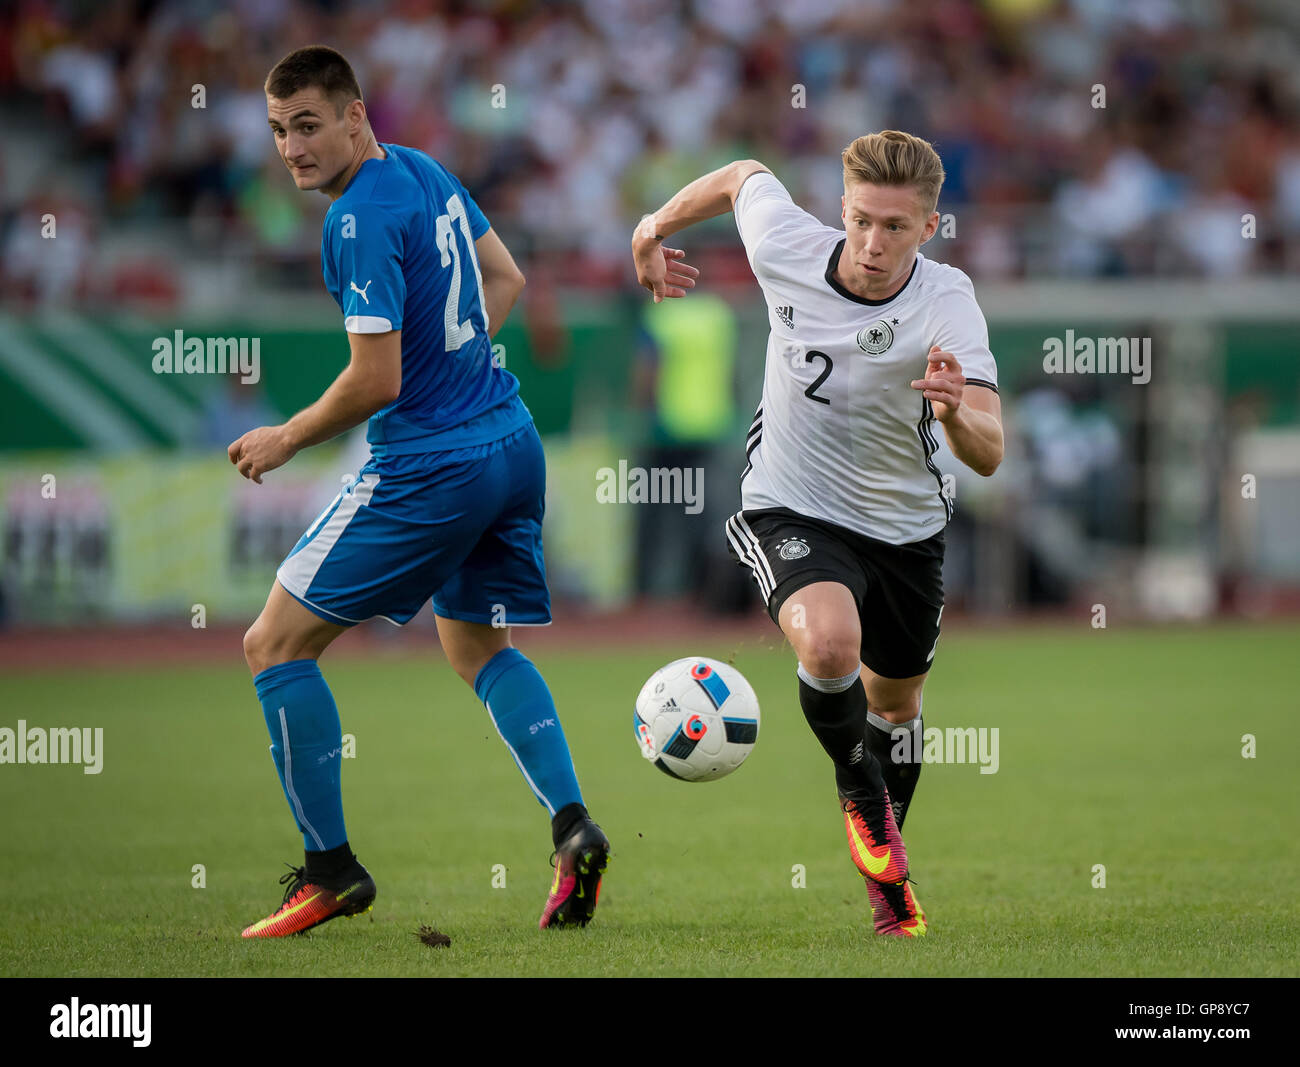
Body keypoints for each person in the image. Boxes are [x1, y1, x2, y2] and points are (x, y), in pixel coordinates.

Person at [229, 45, 608, 938]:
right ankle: (573, 826)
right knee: (477, 647)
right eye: (280, 130)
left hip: (434, 464)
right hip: (511, 441)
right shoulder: (426, 170)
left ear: (357, 116)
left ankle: (330, 870)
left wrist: (285, 436)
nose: (293, 147)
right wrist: (460, 368)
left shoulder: (356, 219)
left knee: (273, 645)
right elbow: (506, 280)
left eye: (311, 124)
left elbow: (376, 380)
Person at [631, 131, 1003, 937]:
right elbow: (739, 175)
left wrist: (952, 411)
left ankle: (881, 866)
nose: (874, 242)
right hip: (790, 503)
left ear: (928, 229)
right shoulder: (788, 244)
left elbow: (990, 450)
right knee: (830, 646)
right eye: (863, 219)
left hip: (906, 528)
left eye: (896, 227)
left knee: (896, 706)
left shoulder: (947, 300)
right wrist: (652, 226)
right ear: (841, 209)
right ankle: (861, 801)